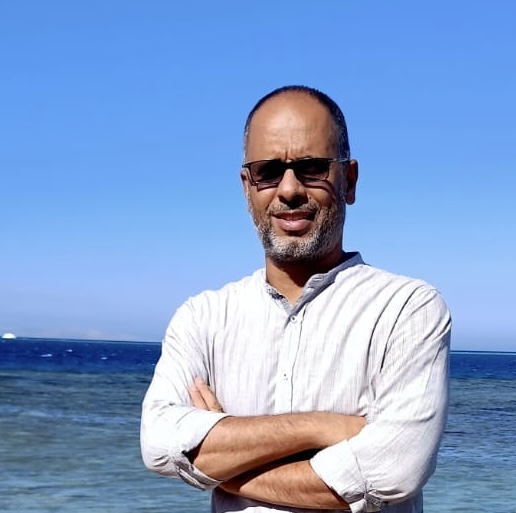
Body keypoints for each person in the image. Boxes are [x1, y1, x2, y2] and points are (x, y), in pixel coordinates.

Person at [140, 85, 451, 513]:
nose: (288, 190)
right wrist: (321, 427)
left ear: (349, 180)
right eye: (268, 171)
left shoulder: (406, 309)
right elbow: (159, 444)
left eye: (311, 168)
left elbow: (393, 471)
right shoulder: (204, 317)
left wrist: (219, 456)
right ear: (247, 187)